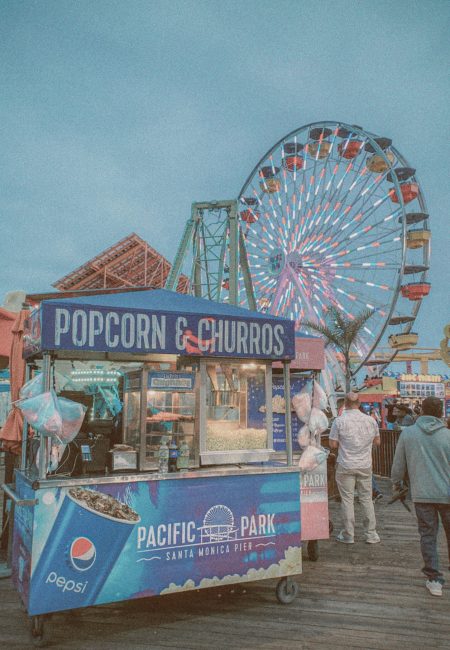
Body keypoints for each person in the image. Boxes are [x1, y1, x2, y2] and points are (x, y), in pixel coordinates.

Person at [391, 396, 450, 597]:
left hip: (422, 494)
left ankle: (434, 579)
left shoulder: (409, 434)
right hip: (447, 494)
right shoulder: (447, 436)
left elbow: (398, 465)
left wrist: (397, 483)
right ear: (441, 413)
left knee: (428, 535)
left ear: (421, 411)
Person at [329, 392, 381, 544]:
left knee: (347, 500)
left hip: (345, 464)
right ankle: (371, 534)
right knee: (366, 499)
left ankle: (348, 534)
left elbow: (332, 444)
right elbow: (377, 442)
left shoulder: (339, 421)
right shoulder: (370, 421)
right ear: (359, 403)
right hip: (365, 464)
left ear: (345, 403)